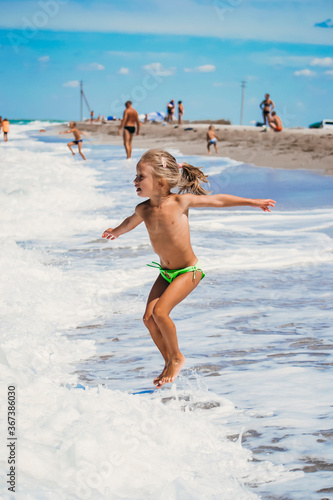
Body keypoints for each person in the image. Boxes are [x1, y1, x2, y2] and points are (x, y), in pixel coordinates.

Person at [102, 149, 276, 388]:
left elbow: (218, 200)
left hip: (188, 272)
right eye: (136, 176)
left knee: (160, 312)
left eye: (140, 176)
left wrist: (252, 202)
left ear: (161, 182)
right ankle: (168, 361)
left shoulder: (180, 201)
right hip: (165, 273)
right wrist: (115, 231)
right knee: (148, 319)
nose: (135, 181)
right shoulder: (143, 209)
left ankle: (177, 357)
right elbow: (129, 223)